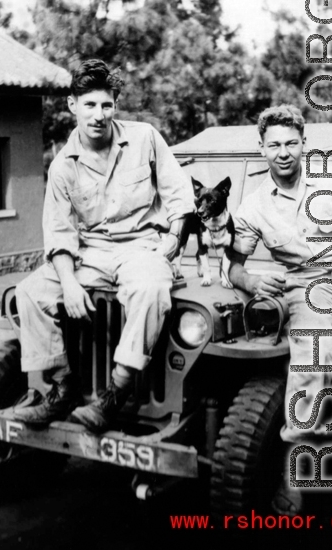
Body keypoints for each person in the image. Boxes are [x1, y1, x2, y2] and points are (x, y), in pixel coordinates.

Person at [12, 59, 195, 433]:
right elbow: (60, 233)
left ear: (116, 104)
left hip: (142, 246)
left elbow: (180, 196)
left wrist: (173, 241)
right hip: (91, 252)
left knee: (149, 288)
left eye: (106, 105)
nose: (99, 115)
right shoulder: (63, 166)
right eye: (90, 104)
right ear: (72, 105)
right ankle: (63, 389)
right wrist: (68, 282)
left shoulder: (144, 137)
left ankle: (114, 395)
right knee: (30, 292)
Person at [228, 104, 332, 514]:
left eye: (291, 143)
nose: (284, 152)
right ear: (262, 149)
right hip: (308, 288)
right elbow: (233, 266)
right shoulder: (253, 207)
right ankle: (297, 477)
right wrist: (253, 281)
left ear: (304, 144)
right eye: (274, 145)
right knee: (311, 359)